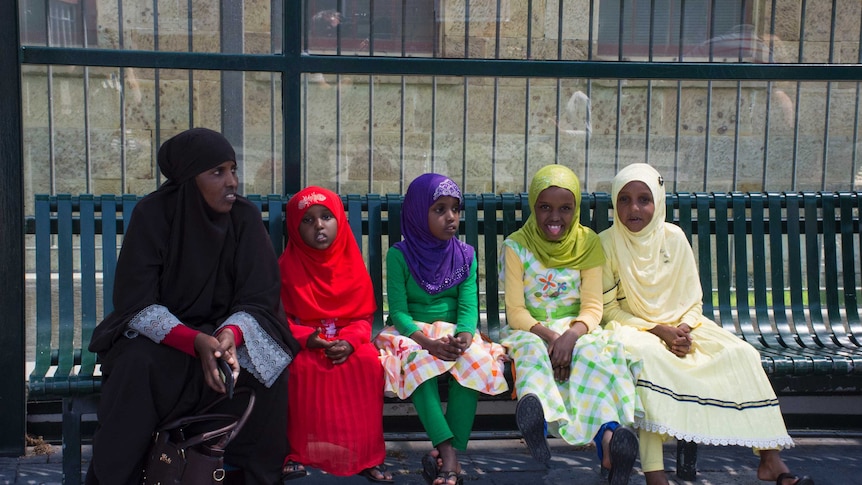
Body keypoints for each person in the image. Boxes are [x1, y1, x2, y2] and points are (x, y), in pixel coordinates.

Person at [86, 127, 300, 484]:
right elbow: (135, 302)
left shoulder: (244, 219)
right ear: (188, 178)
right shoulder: (153, 215)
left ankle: (249, 476)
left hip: (223, 338)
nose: (232, 181)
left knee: (270, 367)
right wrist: (194, 342)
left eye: (233, 169)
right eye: (217, 172)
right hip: (165, 342)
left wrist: (229, 335)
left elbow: (259, 296)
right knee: (136, 367)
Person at [599, 163, 813, 485]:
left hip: (684, 326)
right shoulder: (607, 243)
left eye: (644, 199)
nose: (634, 208)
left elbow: (692, 299)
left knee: (741, 354)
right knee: (648, 360)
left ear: (658, 202)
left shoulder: (674, 237)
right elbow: (607, 311)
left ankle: (770, 459)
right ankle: (655, 475)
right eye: (624, 199)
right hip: (634, 329)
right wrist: (659, 331)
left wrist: (682, 329)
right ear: (614, 204)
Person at [498, 164, 639, 485]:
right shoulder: (517, 246)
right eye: (544, 207)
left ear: (576, 208)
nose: (554, 217)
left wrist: (571, 337)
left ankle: (610, 441)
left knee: (594, 356)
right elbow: (516, 311)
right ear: (533, 206)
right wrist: (551, 337)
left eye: (565, 208)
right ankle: (537, 424)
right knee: (531, 352)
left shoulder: (588, 242)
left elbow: (592, 307)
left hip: (577, 330)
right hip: (533, 329)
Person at [374, 173, 509, 485]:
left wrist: (464, 336)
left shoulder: (465, 255)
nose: (451, 217)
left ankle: (449, 455)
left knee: (475, 360)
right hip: (412, 333)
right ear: (419, 214)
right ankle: (448, 454)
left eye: (455, 209)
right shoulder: (399, 255)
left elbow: (467, 304)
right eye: (439, 210)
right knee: (417, 363)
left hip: (453, 330)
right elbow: (397, 311)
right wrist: (428, 342)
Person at [278, 186, 393, 483]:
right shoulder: (286, 268)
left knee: (367, 362)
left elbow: (364, 316)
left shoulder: (351, 262)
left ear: (339, 221)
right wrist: (306, 338)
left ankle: (365, 455)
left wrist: (352, 341)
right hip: (305, 341)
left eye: (326, 216)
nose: (318, 225)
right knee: (299, 368)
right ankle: (296, 453)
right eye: (308, 219)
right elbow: (280, 318)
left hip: (348, 342)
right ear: (294, 226)